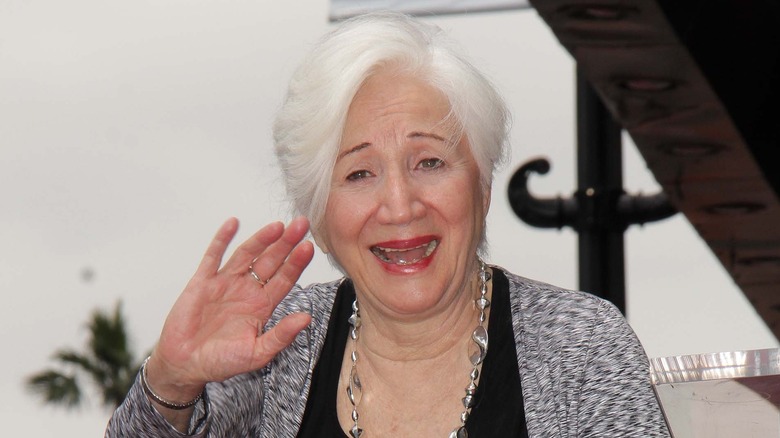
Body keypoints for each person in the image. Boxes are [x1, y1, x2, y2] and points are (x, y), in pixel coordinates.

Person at [106, 11, 670, 438]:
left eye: (429, 162)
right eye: (358, 173)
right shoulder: (276, 345)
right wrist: (172, 382)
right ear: (319, 212)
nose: (399, 206)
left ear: (482, 181)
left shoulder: (578, 344)